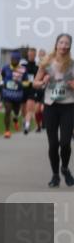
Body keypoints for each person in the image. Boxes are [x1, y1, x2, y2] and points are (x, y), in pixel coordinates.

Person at [33, 34, 74, 187]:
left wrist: (72, 85)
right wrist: (42, 82)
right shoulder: (46, 63)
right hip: (50, 106)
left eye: (67, 43)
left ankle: (64, 168)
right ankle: (55, 175)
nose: (63, 46)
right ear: (56, 44)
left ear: (69, 47)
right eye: (61, 42)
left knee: (65, 143)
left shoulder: (72, 64)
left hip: (68, 106)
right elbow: (35, 83)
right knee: (53, 144)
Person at [0, 51, 26, 138]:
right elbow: (1, 76)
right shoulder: (6, 68)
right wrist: (2, 82)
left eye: (16, 59)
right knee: (7, 110)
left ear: (19, 60)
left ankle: (15, 119)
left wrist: (21, 83)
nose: (14, 60)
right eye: (12, 59)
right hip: (7, 94)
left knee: (16, 111)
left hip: (17, 95)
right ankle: (7, 130)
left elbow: (27, 81)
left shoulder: (23, 69)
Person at [22, 48, 44, 135]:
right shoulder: (23, 66)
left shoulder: (37, 67)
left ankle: (27, 126)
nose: (31, 56)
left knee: (30, 109)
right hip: (22, 91)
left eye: (33, 54)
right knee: (23, 110)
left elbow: (40, 79)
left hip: (32, 90)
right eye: (30, 54)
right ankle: (26, 122)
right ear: (27, 54)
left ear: (35, 55)